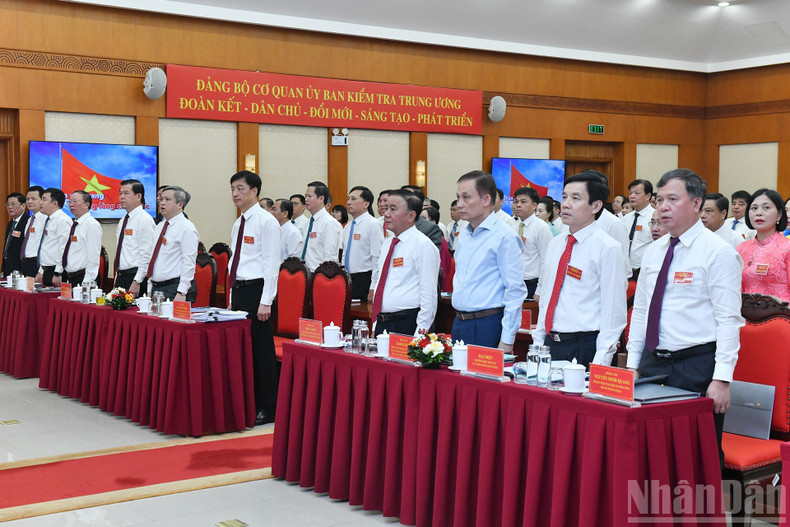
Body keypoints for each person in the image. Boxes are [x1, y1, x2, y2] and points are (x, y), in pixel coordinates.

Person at [627, 169, 744, 467]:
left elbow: (729, 320)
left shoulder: (718, 253)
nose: (662, 207)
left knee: (695, 457)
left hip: (696, 367)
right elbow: (640, 311)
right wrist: (632, 365)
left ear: (696, 204)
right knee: (651, 453)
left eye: (672, 199)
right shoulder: (654, 251)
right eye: (660, 199)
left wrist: (721, 378)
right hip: (653, 364)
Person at [531, 173, 627, 367]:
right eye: (564, 197)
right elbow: (548, 296)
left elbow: (613, 312)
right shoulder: (556, 244)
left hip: (584, 347)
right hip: (550, 344)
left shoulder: (608, 248)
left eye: (576, 198)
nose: (566, 204)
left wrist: (601, 362)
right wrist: (539, 342)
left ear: (596, 206)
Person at [228, 171, 281, 426]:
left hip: (258, 291)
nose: (235, 194)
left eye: (240, 188)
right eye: (232, 189)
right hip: (239, 290)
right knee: (244, 350)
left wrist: (266, 300)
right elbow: (235, 262)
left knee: (261, 351)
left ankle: (268, 407)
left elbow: (272, 263)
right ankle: (250, 400)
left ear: (254, 191)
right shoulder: (239, 223)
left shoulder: (266, 222)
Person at [452, 171, 527, 351]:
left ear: (486, 200)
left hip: (487, 324)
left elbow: (515, 290)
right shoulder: (463, 234)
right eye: (458, 198)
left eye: (466, 197)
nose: (459, 204)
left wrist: (507, 340)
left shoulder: (504, 236)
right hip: (460, 323)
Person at [370, 189, 439, 336]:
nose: (386, 214)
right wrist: (376, 323)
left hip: (407, 323)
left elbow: (429, 294)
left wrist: (420, 334)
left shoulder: (422, 244)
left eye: (393, 209)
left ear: (411, 215)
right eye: (386, 208)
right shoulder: (388, 243)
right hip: (383, 322)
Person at [140, 186, 199, 301]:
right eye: (161, 199)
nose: (162, 203)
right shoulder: (160, 226)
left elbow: (189, 262)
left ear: (180, 205)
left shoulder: (187, 228)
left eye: (167, 200)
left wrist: (182, 292)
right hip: (156, 288)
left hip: (175, 288)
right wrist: (149, 288)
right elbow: (153, 258)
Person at [737, 188, 790, 302]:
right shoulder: (741, 248)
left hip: (782, 316)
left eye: (766, 208)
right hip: (745, 315)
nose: (759, 213)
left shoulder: (787, 247)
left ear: (779, 215)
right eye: (754, 208)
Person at [342, 185, 383, 301]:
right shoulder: (348, 226)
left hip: (364, 279)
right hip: (347, 278)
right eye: (348, 199)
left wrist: (373, 287)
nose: (349, 202)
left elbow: (377, 257)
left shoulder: (373, 224)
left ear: (366, 204)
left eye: (353, 199)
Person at [114, 179, 156, 293]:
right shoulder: (123, 220)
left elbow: (146, 254)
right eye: (120, 193)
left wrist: (137, 281)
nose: (122, 197)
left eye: (126, 193)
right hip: (121, 277)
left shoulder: (145, 220)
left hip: (135, 277)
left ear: (138, 196)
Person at [512, 186, 552, 299]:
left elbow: (546, 260)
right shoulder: (513, 224)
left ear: (534, 206)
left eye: (523, 202)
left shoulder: (541, 227)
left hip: (531, 284)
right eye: (516, 202)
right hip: (513, 282)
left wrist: (540, 290)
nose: (518, 205)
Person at [61, 190, 102, 287]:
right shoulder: (75, 224)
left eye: (75, 202)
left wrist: (87, 282)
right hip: (70, 277)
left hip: (84, 278)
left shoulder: (91, 225)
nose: (71, 205)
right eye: (70, 202)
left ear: (86, 204)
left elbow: (93, 256)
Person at [300, 181, 342, 272]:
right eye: (305, 196)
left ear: (321, 198)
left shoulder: (329, 222)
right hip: (305, 274)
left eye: (309, 196)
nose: (306, 199)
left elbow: (330, 257)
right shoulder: (309, 222)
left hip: (321, 275)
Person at [35, 188, 72, 287]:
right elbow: (46, 247)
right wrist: (41, 271)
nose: (40, 202)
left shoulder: (63, 220)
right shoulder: (49, 219)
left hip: (56, 272)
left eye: (44, 199)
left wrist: (58, 272)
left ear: (54, 203)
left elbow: (63, 248)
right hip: (46, 270)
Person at [622, 179, 655, 279]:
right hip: (625, 270)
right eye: (630, 193)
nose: (632, 196)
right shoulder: (626, 218)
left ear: (648, 196)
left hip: (644, 271)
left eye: (637, 193)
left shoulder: (655, 217)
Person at [20, 186, 46, 278]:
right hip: (26, 262)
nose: (29, 201)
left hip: (37, 263)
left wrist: (41, 270)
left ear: (42, 200)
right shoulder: (30, 219)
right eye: (27, 199)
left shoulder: (46, 219)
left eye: (33, 199)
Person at [3, 192, 28, 276]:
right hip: (8, 267)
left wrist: (23, 269)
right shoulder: (11, 223)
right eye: (8, 204)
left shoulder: (28, 221)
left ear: (23, 206)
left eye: (13, 204)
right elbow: (7, 247)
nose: (10, 207)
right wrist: (3, 268)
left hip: (20, 268)